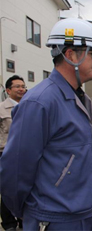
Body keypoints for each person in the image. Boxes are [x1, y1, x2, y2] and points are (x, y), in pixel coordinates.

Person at [0, 18, 92, 230]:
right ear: (71, 56)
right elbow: (16, 169)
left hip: (84, 212)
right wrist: (28, 214)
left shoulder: (80, 99)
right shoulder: (40, 102)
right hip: (54, 218)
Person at [0, 75, 27, 231]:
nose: (21, 89)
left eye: (23, 86)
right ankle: (9, 223)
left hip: (24, 154)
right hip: (5, 154)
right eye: (17, 86)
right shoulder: (1, 108)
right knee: (7, 189)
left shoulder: (28, 106)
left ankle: (24, 220)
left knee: (24, 188)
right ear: (8, 90)